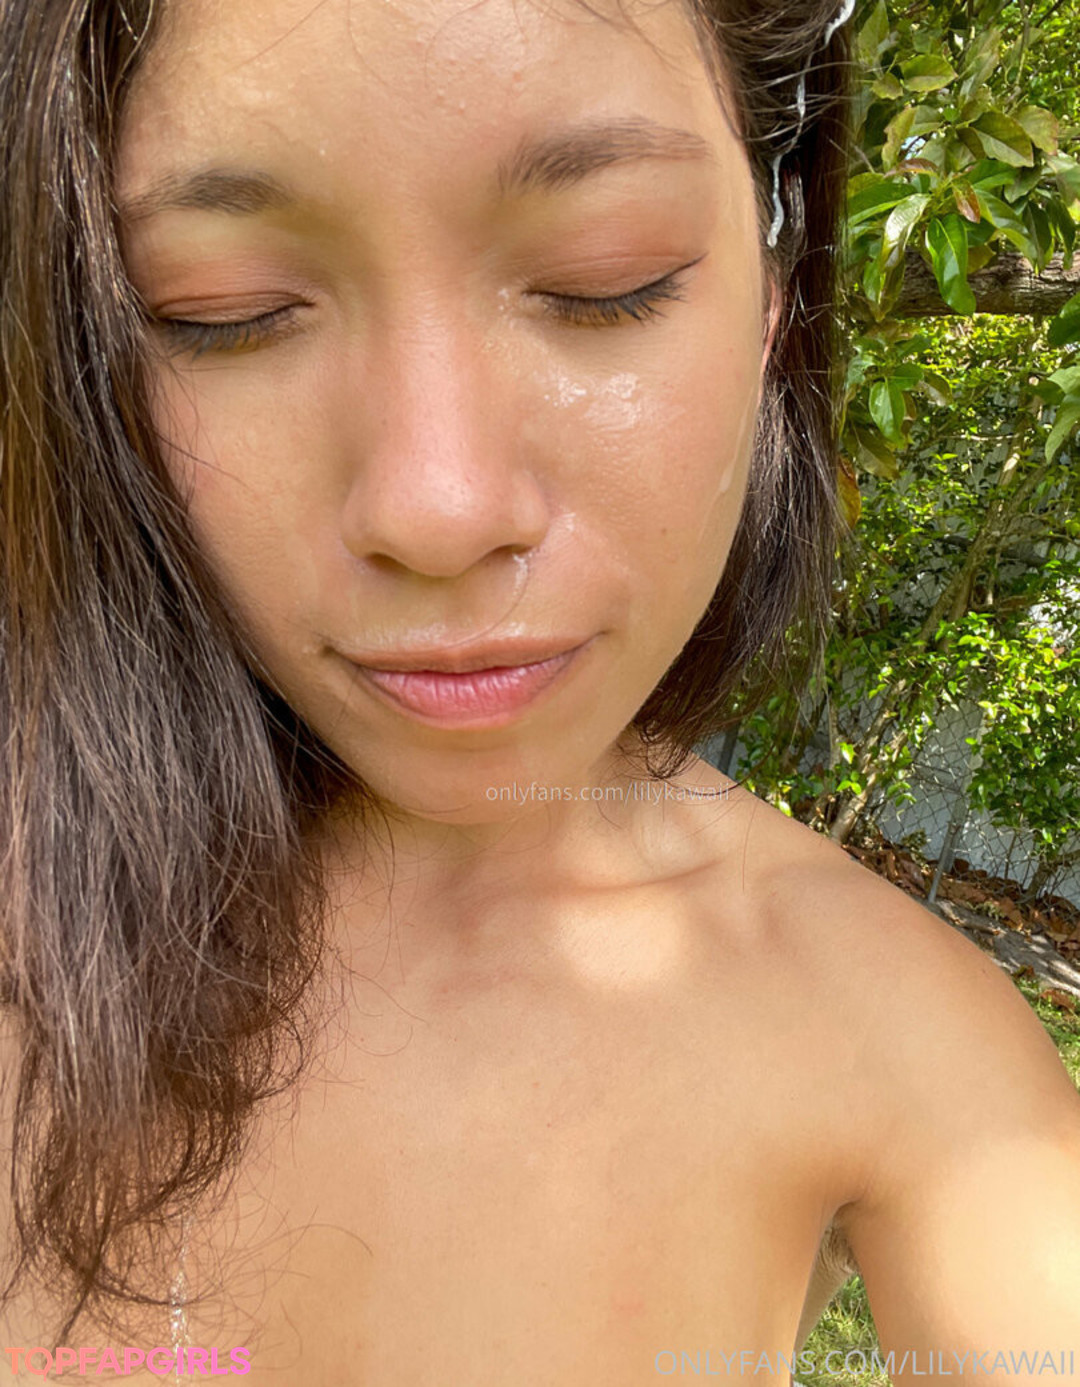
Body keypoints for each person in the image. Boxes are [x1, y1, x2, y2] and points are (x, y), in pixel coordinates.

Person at [0, 0, 1078, 1381]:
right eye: (224, 310)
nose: (438, 509)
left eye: (601, 279)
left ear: (778, 288)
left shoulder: (905, 1049)